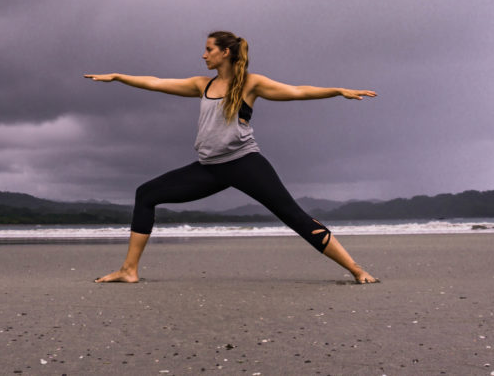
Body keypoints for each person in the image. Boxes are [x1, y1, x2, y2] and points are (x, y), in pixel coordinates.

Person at [84, 31, 379, 284]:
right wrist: (120, 77)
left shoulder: (252, 84)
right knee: (146, 194)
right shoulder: (203, 85)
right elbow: (156, 82)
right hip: (209, 168)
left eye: (209, 49)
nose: (204, 55)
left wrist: (338, 91)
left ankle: (356, 270)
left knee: (293, 216)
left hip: (245, 163)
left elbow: (297, 90)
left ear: (225, 52)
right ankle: (129, 270)